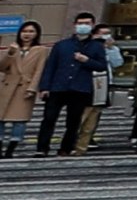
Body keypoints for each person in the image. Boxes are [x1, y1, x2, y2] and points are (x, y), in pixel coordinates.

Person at [35, 14, 107, 157]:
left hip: (80, 88)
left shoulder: (97, 46)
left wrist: (86, 60)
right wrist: (44, 87)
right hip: (58, 87)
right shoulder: (62, 45)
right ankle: (42, 148)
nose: (83, 26)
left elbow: (101, 66)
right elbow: (50, 66)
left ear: (92, 25)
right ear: (74, 25)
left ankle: (65, 148)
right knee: (49, 118)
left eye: (86, 23)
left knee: (73, 122)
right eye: (80, 23)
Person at [0, 20, 41, 154]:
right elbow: (2, 67)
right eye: (24, 31)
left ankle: (11, 149)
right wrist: (10, 53)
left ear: (36, 34)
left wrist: (32, 88)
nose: (27, 34)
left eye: (31, 31)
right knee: (1, 119)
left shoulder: (41, 50)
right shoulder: (14, 48)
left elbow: (39, 70)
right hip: (7, 86)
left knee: (19, 120)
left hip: (24, 87)